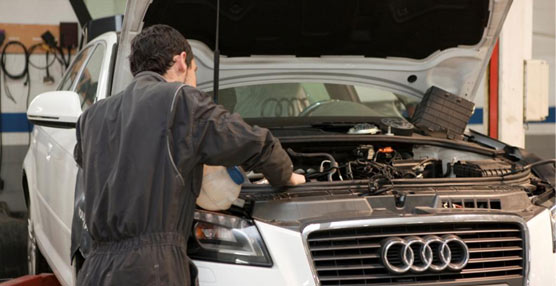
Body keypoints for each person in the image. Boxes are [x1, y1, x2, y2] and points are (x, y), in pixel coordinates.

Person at [73, 24, 305, 285]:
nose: (195, 81)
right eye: (195, 71)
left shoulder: (91, 117)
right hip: (153, 271)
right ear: (182, 61)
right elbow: (252, 142)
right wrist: (286, 175)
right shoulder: (179, 100)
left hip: (95, 269)